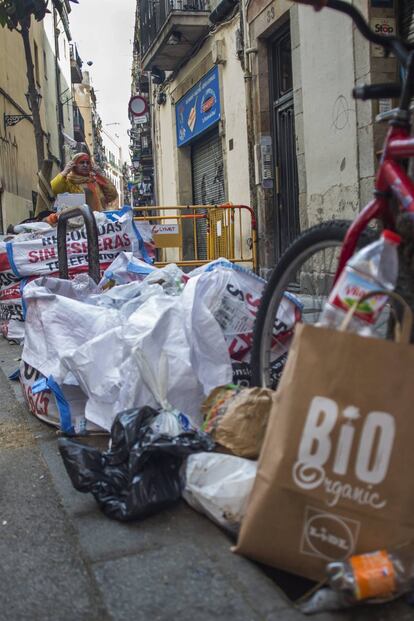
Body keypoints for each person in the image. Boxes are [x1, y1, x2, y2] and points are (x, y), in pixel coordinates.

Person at [51, 153, 118, 212]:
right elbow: (55, 188)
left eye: (88, 163)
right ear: (74, 165)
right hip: (76, 221)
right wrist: (64, 172)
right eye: (82, 162)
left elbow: (112, 195)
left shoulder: (95, 181)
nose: (85, 165)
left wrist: (100, 175)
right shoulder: (68, 181)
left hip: (98, 220)